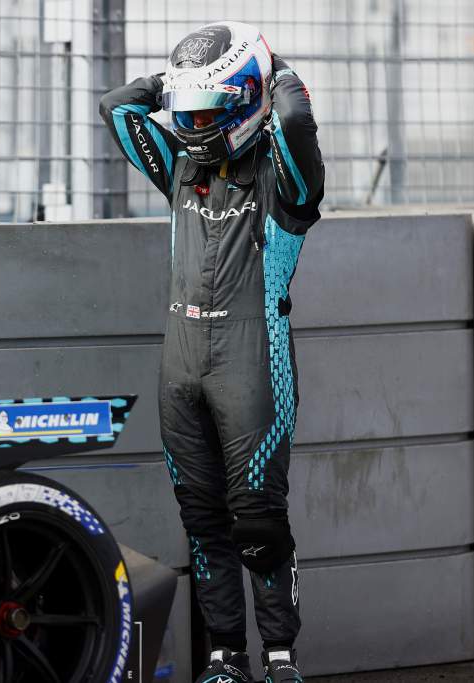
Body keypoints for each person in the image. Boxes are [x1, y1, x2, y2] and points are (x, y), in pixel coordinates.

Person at [100, 21, 323, 683]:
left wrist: (271, 67)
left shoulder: (285, 180)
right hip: (183, 364)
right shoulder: (182, 165)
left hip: (253, 361)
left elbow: (297, 123)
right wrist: (182, 79)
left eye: (209, 109)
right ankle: (225, 654)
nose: (195, 123)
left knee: (257, 521)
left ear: (247, 98)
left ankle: (280, 655)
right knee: (202, 520)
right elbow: (117, 106)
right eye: (188, 112)